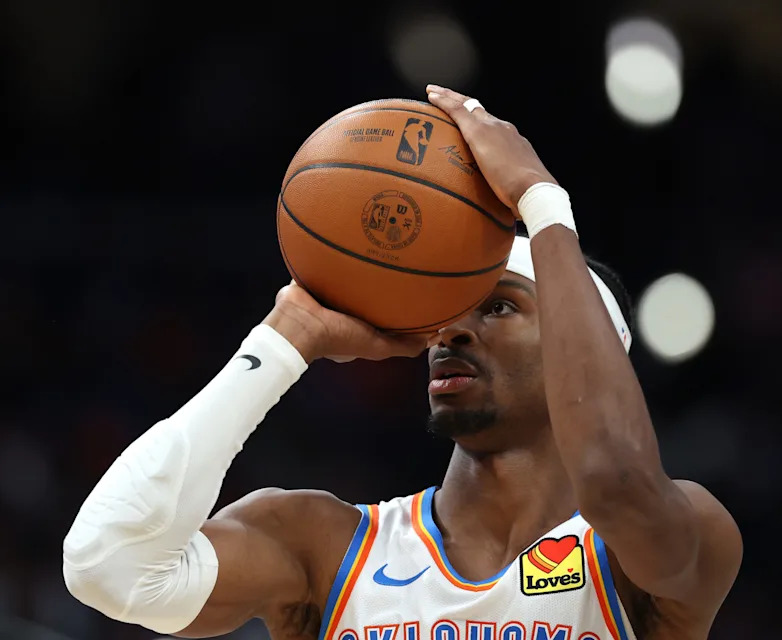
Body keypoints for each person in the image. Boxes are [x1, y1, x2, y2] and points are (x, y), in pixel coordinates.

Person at [62, 86, 742, 640]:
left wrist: (542, 200)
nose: (455, 329)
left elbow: (616, 482)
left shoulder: (656, 546)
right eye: (448, 309)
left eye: (499, 307)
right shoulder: (325, 549)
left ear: (583, 351)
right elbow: (107, 565)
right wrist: (287, 333)